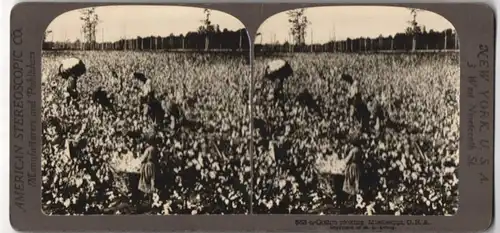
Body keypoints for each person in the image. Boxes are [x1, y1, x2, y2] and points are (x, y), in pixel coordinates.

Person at [138, 134, 159, 206]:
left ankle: (147, 198)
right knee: (152, 180)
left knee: (146, 181)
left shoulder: (148, 149)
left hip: (148, 165)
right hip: (153, 165)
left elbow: (143, 159)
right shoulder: (155, 149)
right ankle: (151, 199)